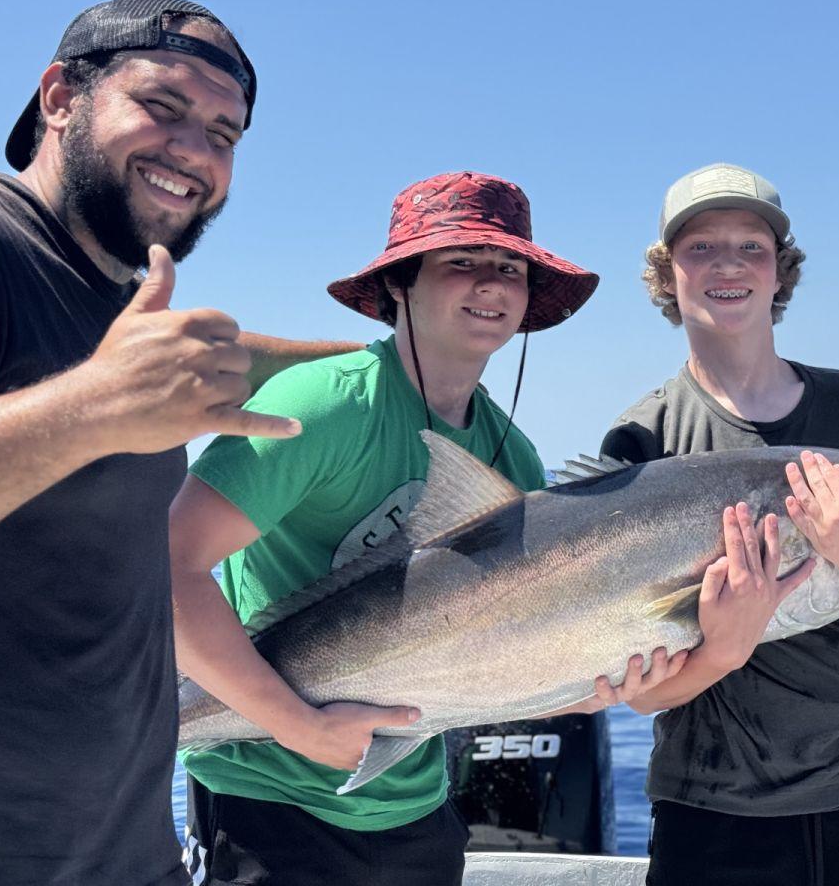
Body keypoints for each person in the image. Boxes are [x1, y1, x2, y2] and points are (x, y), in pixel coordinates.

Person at [0, 0, 367, 885]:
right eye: (163, 108)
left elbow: (228, 353)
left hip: (121, 853)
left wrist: (391, 365)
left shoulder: (115, 306)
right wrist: (95, 411)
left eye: (225, 133)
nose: (196, 152)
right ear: (61, 96)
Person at [169, 171, 679, 885]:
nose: (492, 284)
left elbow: (500, 650)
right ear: (400, 284)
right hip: (268, 804)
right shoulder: (325, 406)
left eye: (511, 268)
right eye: (461, 262)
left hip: (417, 811)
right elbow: (167, 568)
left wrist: (596, 681)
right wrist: (299, 726)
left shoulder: (514, 455)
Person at [601, 163, 839, 886]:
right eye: (700, 247)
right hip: (713, 816)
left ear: (780, 272)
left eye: (751, 246)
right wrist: (724, 649)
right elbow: (642, 692)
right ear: (666, 274)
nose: (728, 263)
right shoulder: (642, 437)